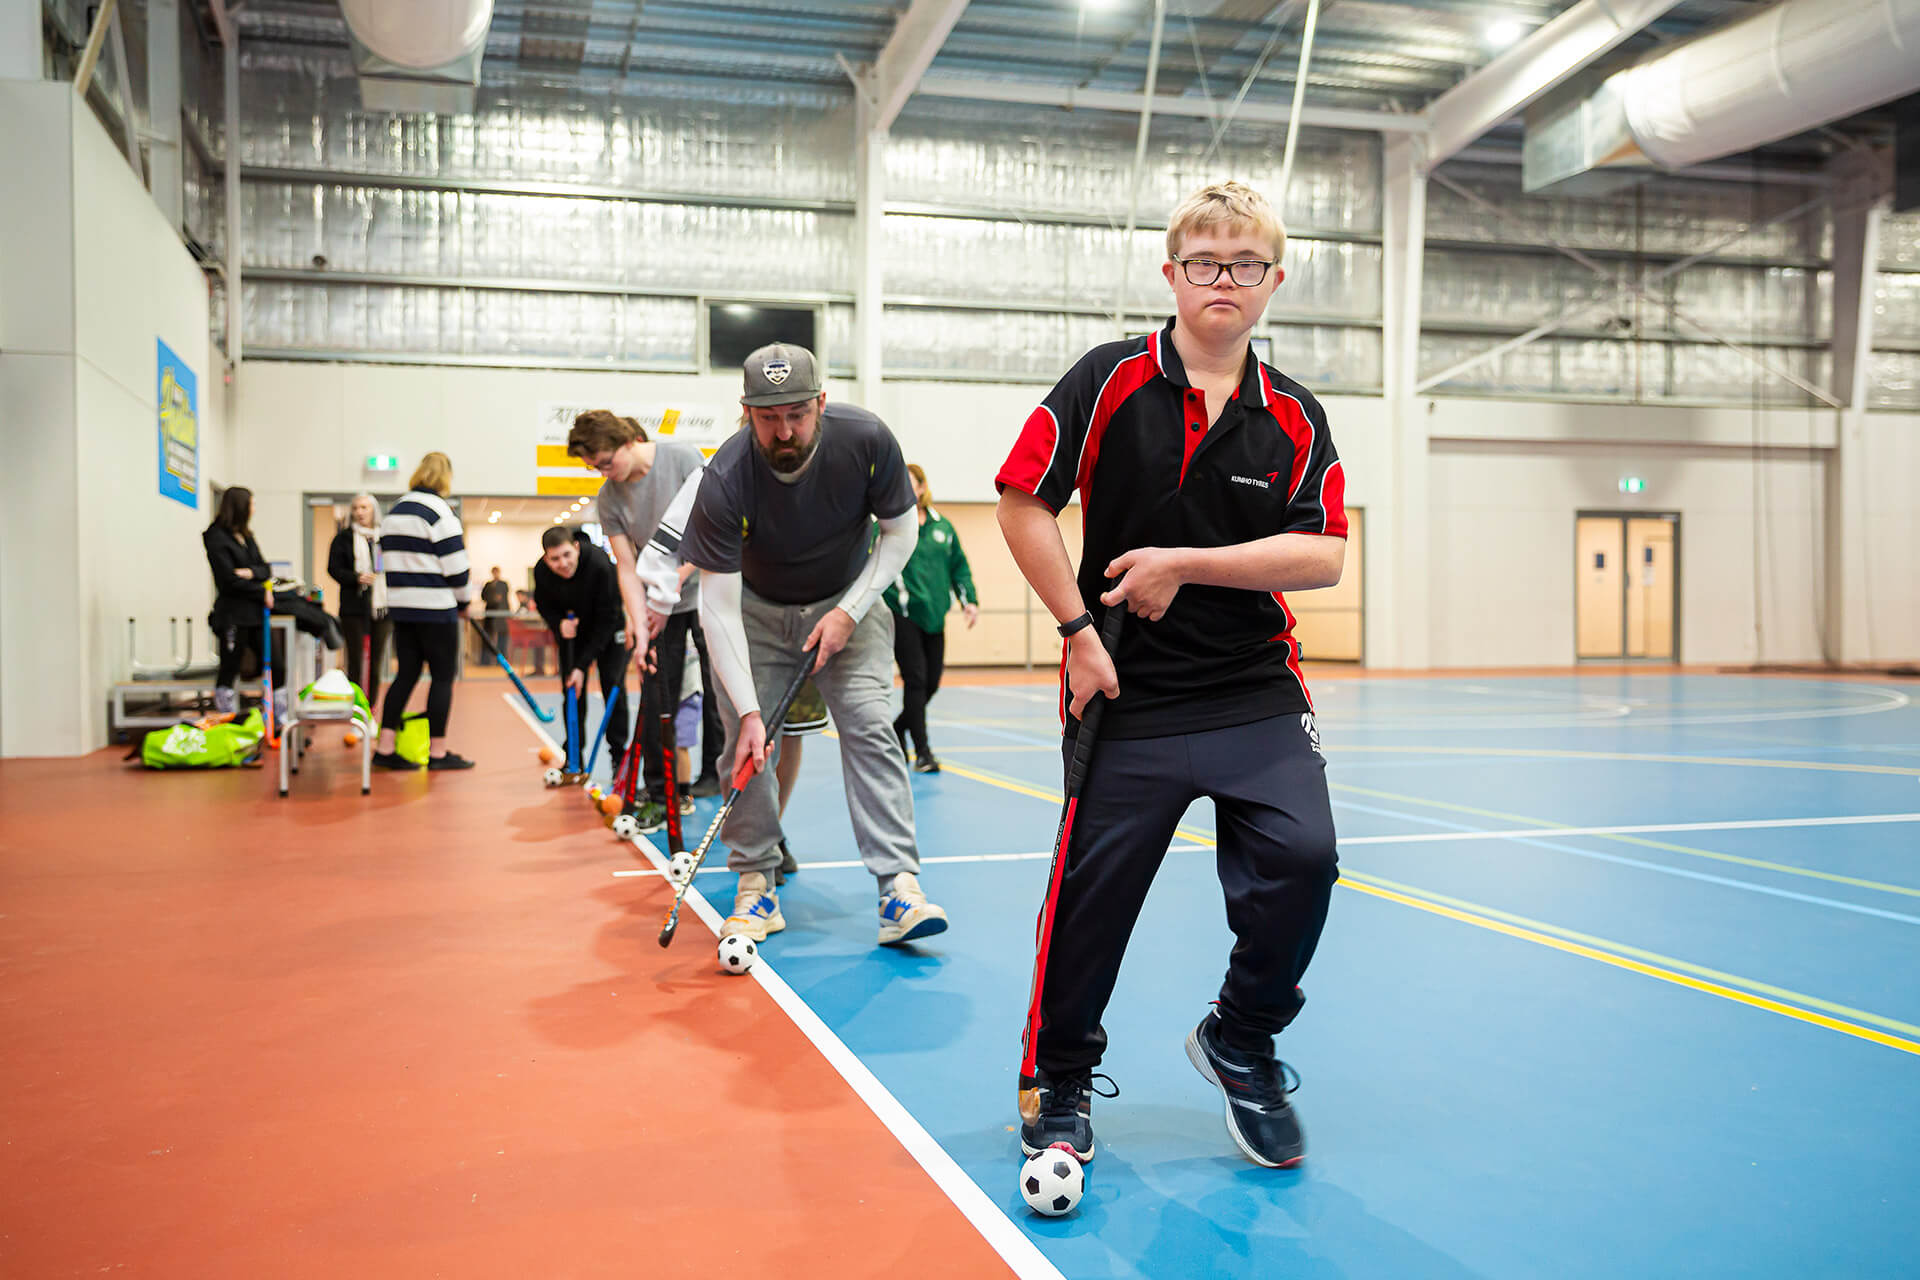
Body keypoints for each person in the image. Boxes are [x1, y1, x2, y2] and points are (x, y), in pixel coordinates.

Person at [996, 181, 1346, 1170]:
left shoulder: (1295, 416)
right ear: (1172, 274)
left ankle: (1243, 1035)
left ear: (1273, 281)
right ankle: (1059, 1077)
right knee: (1087, 903)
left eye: (1244, 264)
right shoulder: (1107, 380)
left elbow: (1322, 556)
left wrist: (1184, 564)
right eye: (1204, 262)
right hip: (1126, 690)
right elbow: (1024, 503)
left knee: (1304, 859)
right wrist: (1075, 627)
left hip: (1252, 686)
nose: (1223, 280)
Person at [669, 342, 950, 947]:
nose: (785, 430)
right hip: (757, 615)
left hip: (851, 599)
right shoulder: (723, 477)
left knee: (871, 721)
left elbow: (901, 535)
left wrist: (849, 611)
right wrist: (748, 713)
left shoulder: (866, 440)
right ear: (747, 413)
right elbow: (716, 609)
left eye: (797, 412)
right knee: (744, 749)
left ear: (821, 402)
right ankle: (755, 885)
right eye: (768, 418)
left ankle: (899, 887)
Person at [566, 410, 716, 828]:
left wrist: (673, 583)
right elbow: (627, 566)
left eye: (606, 462)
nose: (603, 472)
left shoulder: (684, 458)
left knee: (720, 692)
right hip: (657, 604)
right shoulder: (610, 498)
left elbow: (712, 532)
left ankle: (721, 782)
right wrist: (639, 621)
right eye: (594, 467)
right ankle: (657, 792)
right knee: (654, 695)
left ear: (629, 441)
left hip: (708, 591)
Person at [372, 452, 476, 771]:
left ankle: (385, 748)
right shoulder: (440, 512)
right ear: (445, 477)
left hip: (402, 610)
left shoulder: (393, 513)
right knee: (442, 678)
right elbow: (457, 570)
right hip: (436, 610)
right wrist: (463, 602)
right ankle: (438, 753)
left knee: (405, 675)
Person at [885, 463, 979, 773]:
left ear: (922, 487)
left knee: (932, 683)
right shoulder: (889, 526)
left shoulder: (943, 527)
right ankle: (923, 752)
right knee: (916, 680)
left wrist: (969, 602)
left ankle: (897, 728)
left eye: (911, 483)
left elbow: (959, 567)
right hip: (903, 613)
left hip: (935, 616)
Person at [532, 526, 631, 788]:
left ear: (575, 547)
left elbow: (609, 616)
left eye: (566, 555)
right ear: (545, 559)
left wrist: (581, 665)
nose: (562, 564)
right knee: (572, 694)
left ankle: (619, 760)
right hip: (573, 636)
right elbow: (544, 605)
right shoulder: (542, 573)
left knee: (613, 691)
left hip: (608, 631)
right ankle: (574, 758)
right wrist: (557, 623)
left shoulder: (599, 565)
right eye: (554, 559)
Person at [203, 486, 281, 717]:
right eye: (252, 505)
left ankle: (279, 719)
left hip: (255, 614)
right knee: (230, 666)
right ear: (240, 507)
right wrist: (260, 589)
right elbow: (227, 580)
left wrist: (250, 573)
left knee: (277, 664)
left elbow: (265, 568)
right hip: (232, 615)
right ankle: (225, 717)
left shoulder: (246, 536)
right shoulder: (215, 536)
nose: (254, 510)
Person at [327, 493, 390, 710]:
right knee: (355, 662)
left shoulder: (385, 538)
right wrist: (356, 578)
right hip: (353, 608)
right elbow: (333, 569)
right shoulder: (343, 538)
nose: (359, 512)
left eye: (364, 507)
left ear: (373, 510)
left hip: (382, 608)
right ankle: (354, 707)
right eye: (355, 508)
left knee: (376, 662)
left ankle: (370, 708)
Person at [480, 567, 512, 657]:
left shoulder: (503, 584)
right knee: (487, 637)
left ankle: (501, 658)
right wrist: (492, 598)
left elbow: (503, 597)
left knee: (502, 637)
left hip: (501, 614)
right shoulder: (488, 584)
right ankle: (486, 660)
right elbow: (484, 596)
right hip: (490, 614)